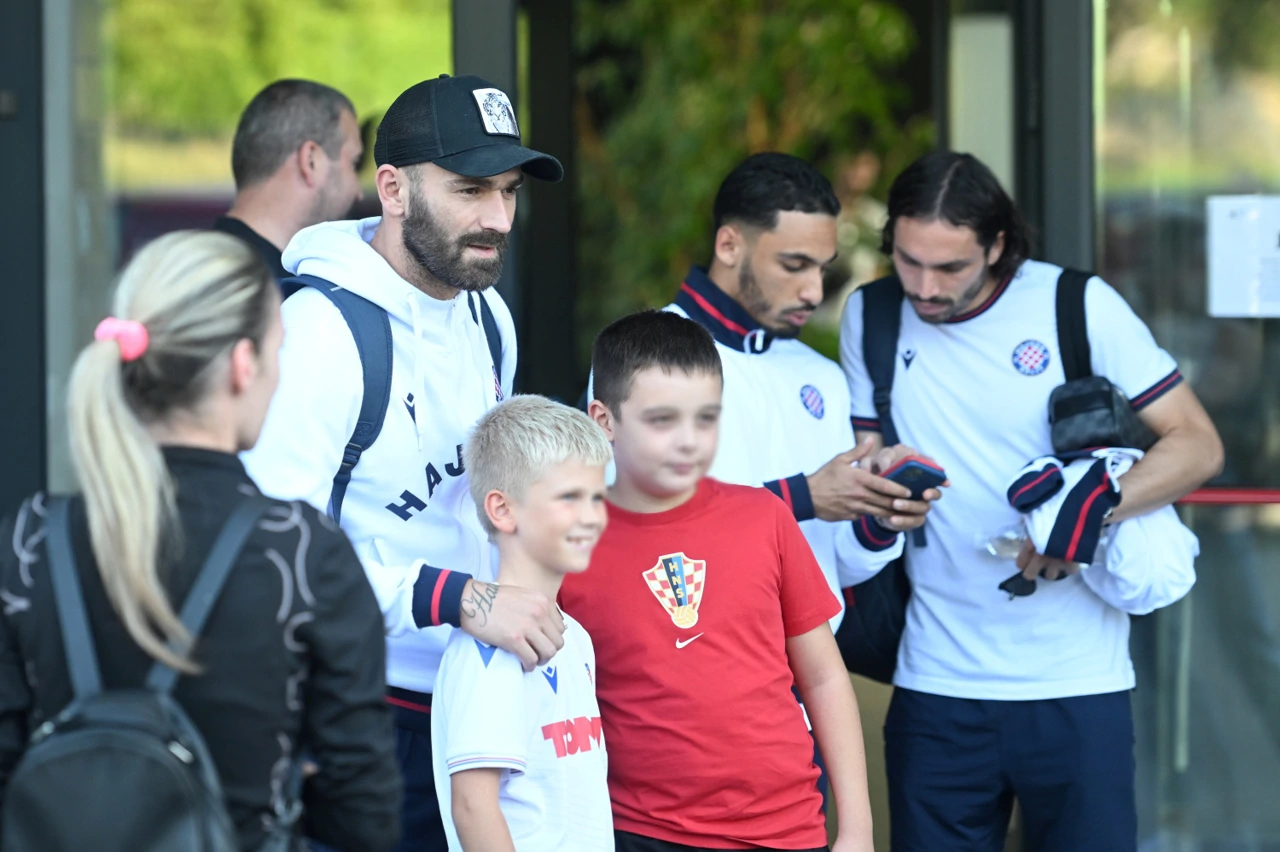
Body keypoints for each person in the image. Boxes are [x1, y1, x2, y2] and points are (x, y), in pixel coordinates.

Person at [838, 151, 1224, 851]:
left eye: (949, 268)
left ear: (997, 245)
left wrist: (1086, 513)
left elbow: (1197, 442)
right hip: (936, 683)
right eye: (907, 260)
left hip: (1078, 682)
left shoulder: (1076, 303)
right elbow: (864, 458)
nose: (924, 287)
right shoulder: (872, 315)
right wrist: (884, 487)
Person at [242, 74, 566, 852]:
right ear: (391, 188)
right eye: (471, 190)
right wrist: (451, 596)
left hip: (477, 700)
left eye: (510, 193)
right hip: (361, 711)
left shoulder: (488, 313)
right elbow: (273, 548)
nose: (498, 220)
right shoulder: (319, 333)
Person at [0, 231, 400, 851]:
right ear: (244, 365)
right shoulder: (303, 554)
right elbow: (363, 811)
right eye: (278, 352)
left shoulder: (31, 544)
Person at [562, 310, 874, 852]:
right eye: (662, 420)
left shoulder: (765, 517)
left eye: (706, 418)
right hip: (639, 832)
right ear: (603, 421)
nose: (689, 441)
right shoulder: (567, 543)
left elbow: (823, 678)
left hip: (787, 828)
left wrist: (858, 831)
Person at [660, 152, 937, 634]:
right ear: (729, 245)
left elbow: (835, 568)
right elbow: (643, 536)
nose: (813, 291)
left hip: (807, 685)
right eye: (795, 265)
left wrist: (876, 515)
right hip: (691, 676)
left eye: (823, 270)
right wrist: (804, 496)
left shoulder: (821, 376)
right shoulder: (647, 352)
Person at [432, 395, 614, 851]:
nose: (592, 516)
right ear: (503, 510)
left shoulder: (578, 639)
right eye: (569, 498)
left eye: (597, 497)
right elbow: (473, 807)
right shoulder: (488, 651)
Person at [215, 79, 365, 280]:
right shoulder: (264, 296)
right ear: (310, 161)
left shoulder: (200, 267)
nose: (359, 193)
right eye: (354, 163)